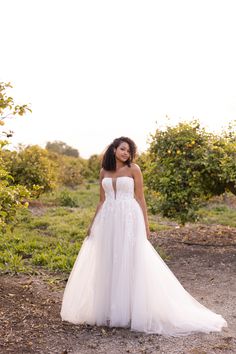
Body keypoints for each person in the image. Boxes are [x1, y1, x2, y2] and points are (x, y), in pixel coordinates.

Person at [60, 136, 228, 336]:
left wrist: (146, 226)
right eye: (122, 149)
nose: (126, 153)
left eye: (129, 151)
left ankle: (131, 310)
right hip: (108, 220)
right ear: (114, 150)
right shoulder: (103, 171)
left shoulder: (134, 169)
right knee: (108, 262)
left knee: (129, 261)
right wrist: (92, 225)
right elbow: (101, 200)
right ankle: (110, 309)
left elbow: (140, 198)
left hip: (129, 218)